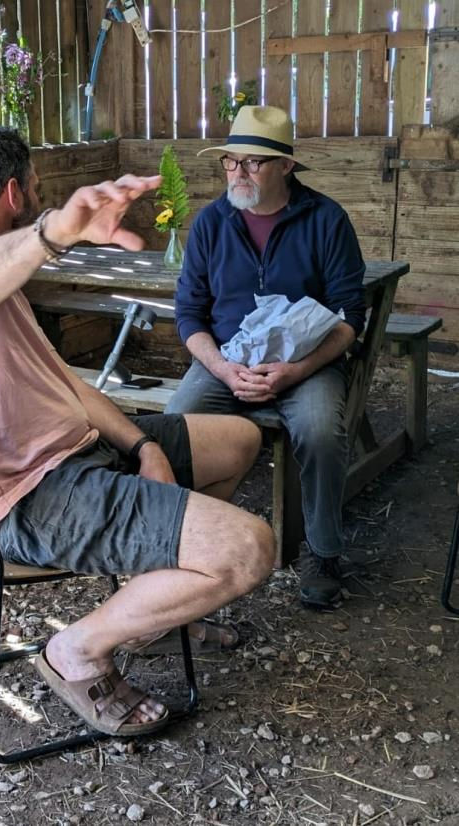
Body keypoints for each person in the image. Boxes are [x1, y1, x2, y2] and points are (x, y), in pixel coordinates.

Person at [0, 125, 275, 737]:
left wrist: (143, 445)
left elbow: (69, 387)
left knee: (239, 440)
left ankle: (154, 616)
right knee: (249, 547)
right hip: (29, 498)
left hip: (75, 453)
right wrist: (54, 232)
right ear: (16, 193)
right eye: (37, 189)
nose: (40, 198)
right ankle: (75, 650)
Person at [165, 105, 366, 609]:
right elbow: (189, 313)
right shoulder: (211, 223)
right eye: (231, 161)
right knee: (174, 427)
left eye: (253, 163)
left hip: (307, 363)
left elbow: (349, 315)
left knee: (320, 431)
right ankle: (182, 544)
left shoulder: (326, 220)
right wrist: (221, 367)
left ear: (286, 166)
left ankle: (324, 553)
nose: (238, 173)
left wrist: (296, 370)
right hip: (227, 360)